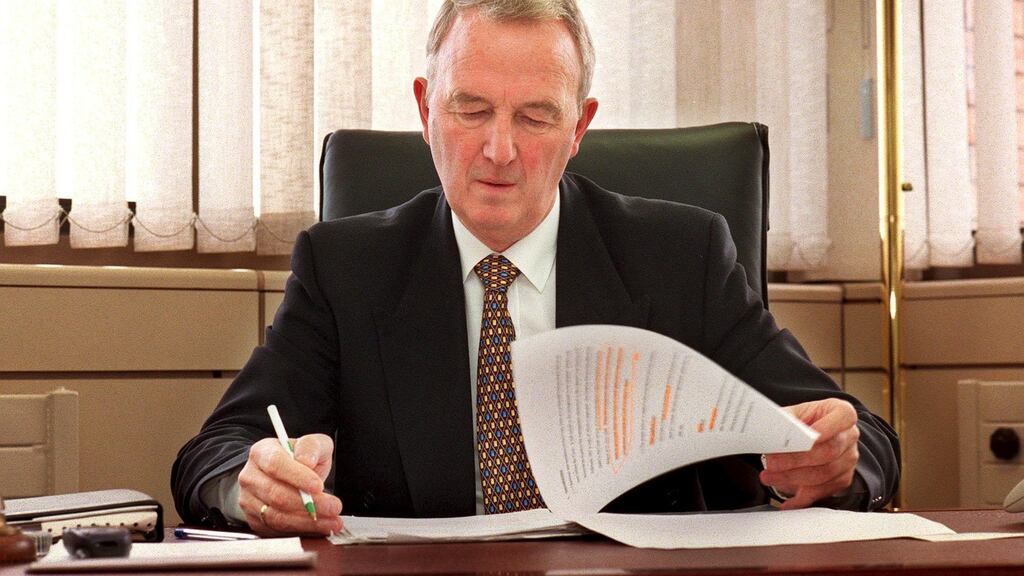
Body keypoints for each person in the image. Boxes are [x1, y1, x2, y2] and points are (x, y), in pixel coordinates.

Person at [172, 0, 899, 536]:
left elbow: (858, 439)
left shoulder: (681, 258)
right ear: (427, 108)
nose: (498, 150)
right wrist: (251, 486)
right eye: (471, 109)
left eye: (535, 117)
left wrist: (835, 459)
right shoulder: (345, 269)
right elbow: (213, 454)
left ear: (579, 127)